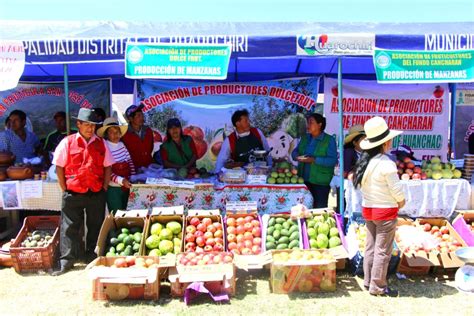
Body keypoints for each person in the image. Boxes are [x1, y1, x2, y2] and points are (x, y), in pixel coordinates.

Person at [51, 108, 113, 275]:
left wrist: (105, 186)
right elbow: (59, 166)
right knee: (69, 227)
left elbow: (108, 166)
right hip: (73, 192)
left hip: (95, 192)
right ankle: (67, 261)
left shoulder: (102, 143)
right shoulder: (67, 142)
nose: (90, 128)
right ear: (78, 124)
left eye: (92, 125)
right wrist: (64, 188)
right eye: (86, 124)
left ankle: (91, 257)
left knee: (95, 226)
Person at [352, 116, 406, 297]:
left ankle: (368, 282)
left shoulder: (365, 162)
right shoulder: (386, 163)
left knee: (370, 247)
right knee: (383, 251)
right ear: (385, 142)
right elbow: (396, 189)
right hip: (385, 211)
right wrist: (401, 202)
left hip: (369, 209)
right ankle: (378, 286)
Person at [292, 113, 337, 208]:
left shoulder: (329, 140)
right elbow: (295, 151)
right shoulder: (305, 137)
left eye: (311, 122)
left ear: (320, 124)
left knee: (319, 210)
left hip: (320, 183)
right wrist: (296, 156)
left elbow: (332, 161)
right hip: (303, 181)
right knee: (303, 209)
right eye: (307, 123)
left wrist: (314, 160)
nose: (308, 125)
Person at [97, 117, 135, 213]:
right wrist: (121, 180)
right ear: (106, 134)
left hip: (126, 185)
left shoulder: (122, 145)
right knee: (116, 214)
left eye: (117, 132)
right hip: (113, 189)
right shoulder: (104, 147)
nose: (115, 135)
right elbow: (106, 170)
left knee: (126, 211)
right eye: (111, 132)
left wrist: (134, 177)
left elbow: (129, 161)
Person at [121, 104, 154, 169]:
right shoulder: (124, 134)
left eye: (142, 115)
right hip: (133, 171)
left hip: (149, 169)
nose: (142, 118)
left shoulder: (148, 131)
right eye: (138, 115)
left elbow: (150, 149)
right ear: (130, 118)